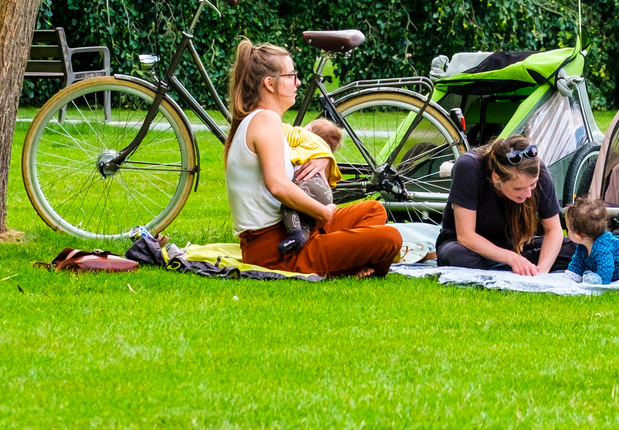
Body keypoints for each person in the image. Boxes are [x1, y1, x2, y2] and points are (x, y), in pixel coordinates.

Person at [224, 40, 402, 276]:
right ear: (269, 83)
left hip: (299, 227)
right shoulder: (265, 120)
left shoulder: (261, 120)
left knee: (374, 210)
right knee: (391, 238)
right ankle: (349, 264)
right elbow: (277, 185)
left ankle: (347, 259)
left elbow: (303, 142)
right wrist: (322, 213)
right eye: (291, 76)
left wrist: (323, 158)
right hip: (278, 249)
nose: (298, 82)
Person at [435, 136, 575, 274]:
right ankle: (514, 266)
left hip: (516, 245)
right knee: (457, 256)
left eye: (532, 185)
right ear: (496, 177)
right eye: (518, 188)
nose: (528, 194)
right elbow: (465, 236)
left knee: (580, 249)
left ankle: (516, 267)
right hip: (470, 247)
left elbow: (553, 230)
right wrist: (511, 259)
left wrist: (541, 271)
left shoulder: (536, 169)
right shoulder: (469, 166)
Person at [278, 116, 345, 256]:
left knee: (289, 202)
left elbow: (282, 131)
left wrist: (275, 122)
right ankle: (300, 241)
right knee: (306, 223)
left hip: (308, 186)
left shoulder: (304, 135)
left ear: (308, 129)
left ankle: (293, 233)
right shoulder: (324, 153)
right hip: (326, 195)